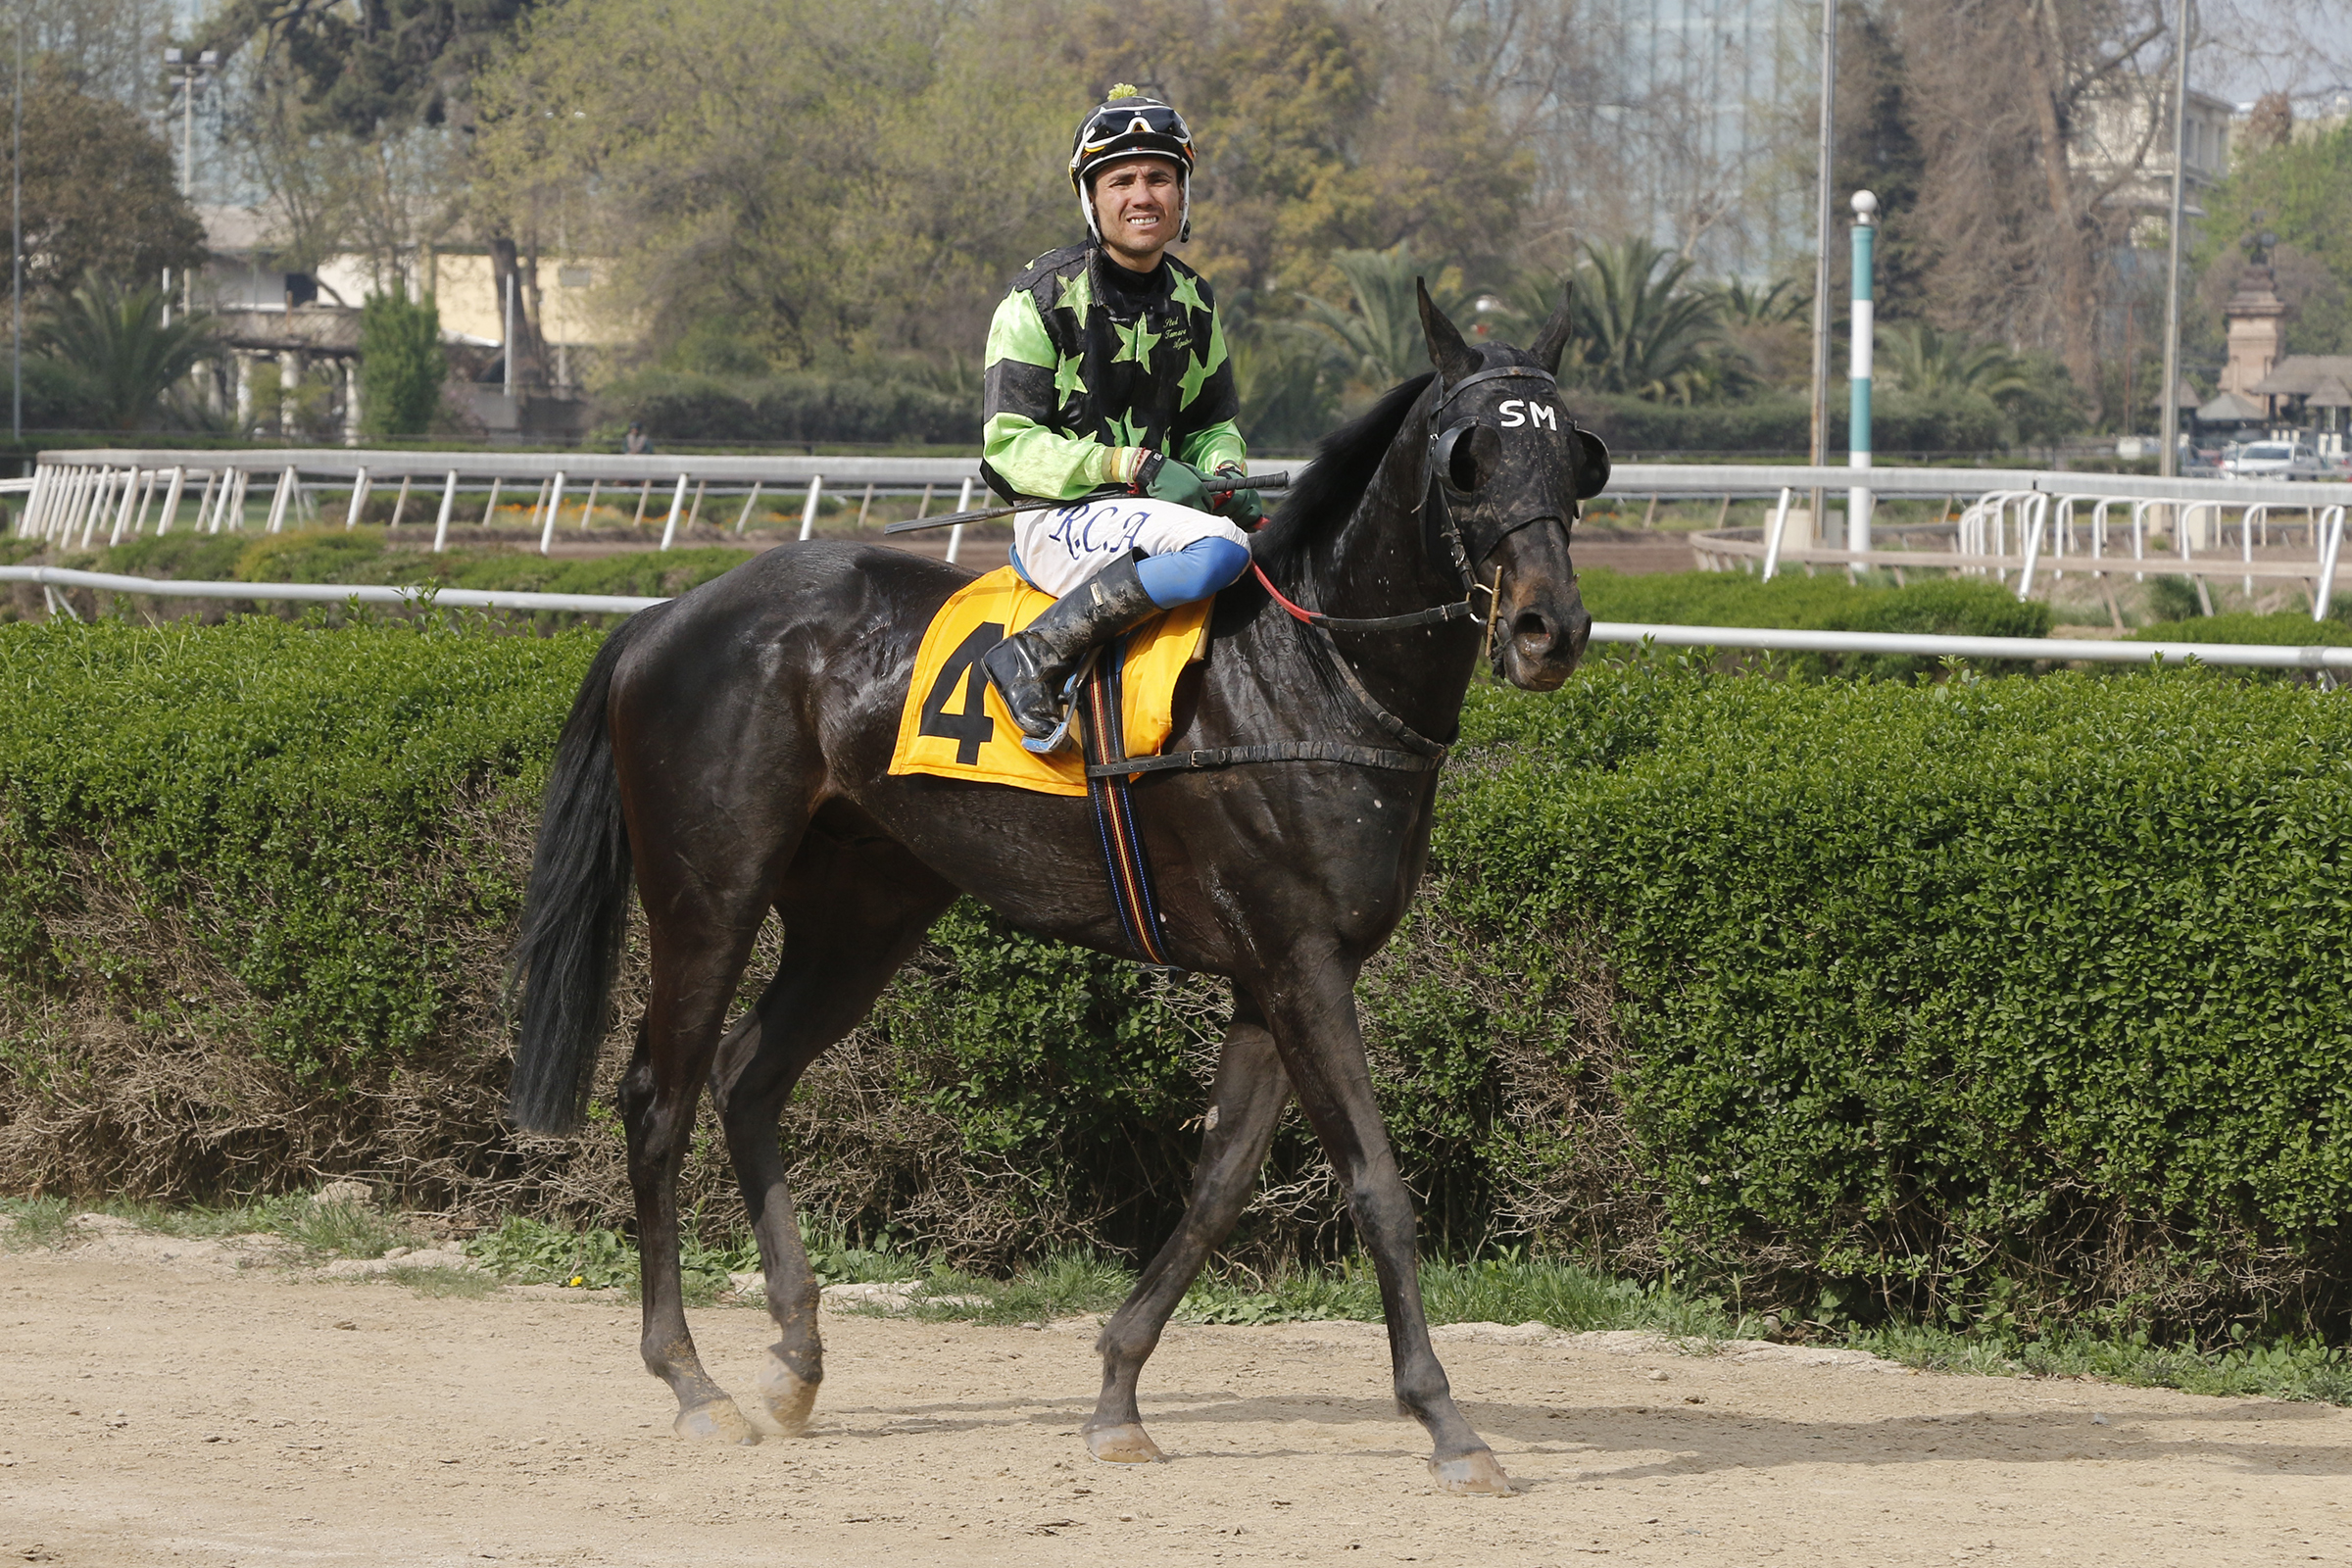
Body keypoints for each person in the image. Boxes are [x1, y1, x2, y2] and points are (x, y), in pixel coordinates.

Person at [978, 85, 1262, 749]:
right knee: (1220, 550)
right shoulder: (1038, 298)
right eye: (1122, 181)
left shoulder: (1194, 299)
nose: (1143, 196)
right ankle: (1037, 653)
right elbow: (1008, 448)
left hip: (1152, 516)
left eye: (1160, 178)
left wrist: (1225, 470)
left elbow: (1211, 425)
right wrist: (1130, 465)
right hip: (1058, 516)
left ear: (1182, 194)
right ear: (1091, 198)